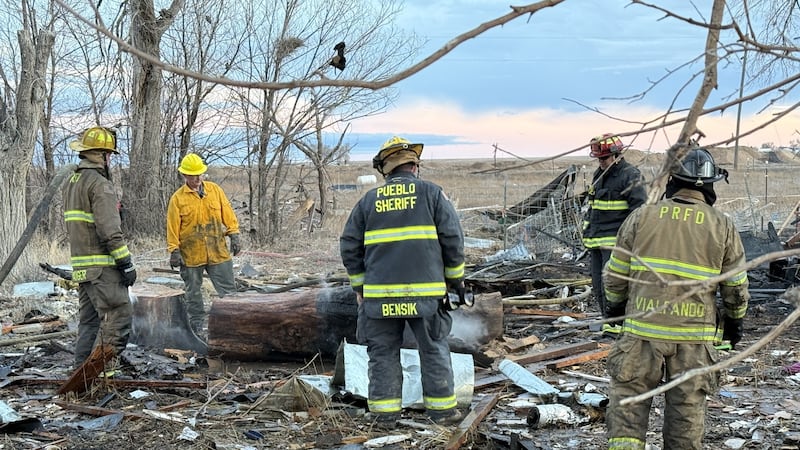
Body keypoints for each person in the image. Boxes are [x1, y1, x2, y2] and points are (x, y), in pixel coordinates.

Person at [602, 147, 750, 449]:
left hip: (640, 336)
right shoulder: (722, 225)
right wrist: (735, 325)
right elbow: (735, 287)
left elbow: (615, 277)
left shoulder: (642, 217)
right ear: (710, 184)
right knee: (686, 419)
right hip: (693, 342)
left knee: (627, 415)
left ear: (673, 180)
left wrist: (614, 310)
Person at [339, 136, 466, 426]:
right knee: (433, 349)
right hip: (427, 297)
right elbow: (453, 240)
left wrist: (359, 287)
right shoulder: (433, 195)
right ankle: (443, 413)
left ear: (387, 170)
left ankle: (384, 418)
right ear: (414, 167)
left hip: (379, 299)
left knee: (382, 353)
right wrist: (455, 281)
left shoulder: (368, 201)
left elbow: (349, 244)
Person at [64, 126, 137, 367]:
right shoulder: (100, 185)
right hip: (102, 267)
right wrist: (125, 263)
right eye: (109, 155)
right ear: (103, 155)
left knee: (90, 321)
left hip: (83, 267)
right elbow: (109, 231)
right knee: (118, 316)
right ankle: (100, 375)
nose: (110, 160)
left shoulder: (73, 181)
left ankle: (81, 374)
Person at [166, 153, 242, 334]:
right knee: (193, 293)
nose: (197, 178)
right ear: (185, 176)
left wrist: (234, 233)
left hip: (217, 250)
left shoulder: (215, 190)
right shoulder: (178, 199)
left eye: (199, 174)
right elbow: (172, 226)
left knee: (228, 290)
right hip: (191, 254)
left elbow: (228, 213)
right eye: (192, 175)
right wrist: (174, 250)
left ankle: (234, 323)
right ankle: (197, 325)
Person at [581, 133, 646, 322]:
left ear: (617, 155)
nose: (601, 162)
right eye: (599, 159)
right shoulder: (599, 175)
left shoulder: (630, 175)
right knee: (599, 286)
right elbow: (594, 208)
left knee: (614, 287)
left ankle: (619, 324)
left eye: (605, 158)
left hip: (616, 245)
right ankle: (607, 322)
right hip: (595, 242)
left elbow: (639, 211)